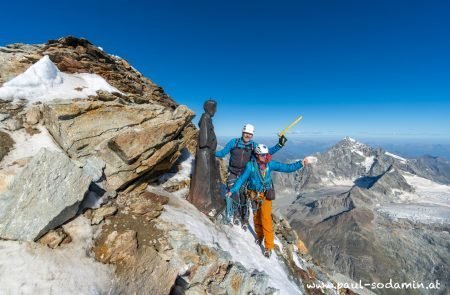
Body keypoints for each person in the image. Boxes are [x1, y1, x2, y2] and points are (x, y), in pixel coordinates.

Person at [226, 143, 309, 258]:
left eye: (266, 155)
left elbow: (287, 168)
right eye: (262, 155)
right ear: (257, 155)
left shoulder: (270, 164)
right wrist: (233, 190)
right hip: (254, 195)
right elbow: (241, 179)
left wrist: (301, 163)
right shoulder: (251, 166)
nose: (265, 157)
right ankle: (259, 236)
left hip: (265, 196)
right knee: (256, 217)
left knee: (266, 219)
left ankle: (268, 246)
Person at [215, 124, 287, 229]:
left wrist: (279, 145)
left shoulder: (253, 146)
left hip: (245, 174)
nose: (248, 135)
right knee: (233, 193)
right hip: (233, 172)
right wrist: (211, 152)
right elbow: (222, 153)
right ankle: (236, 214)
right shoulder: (233, 142)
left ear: (252, 135)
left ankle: (244, 218)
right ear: (242, 133)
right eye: (246, 133)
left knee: (244, 195)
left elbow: (265, 152)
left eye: (250, 134)